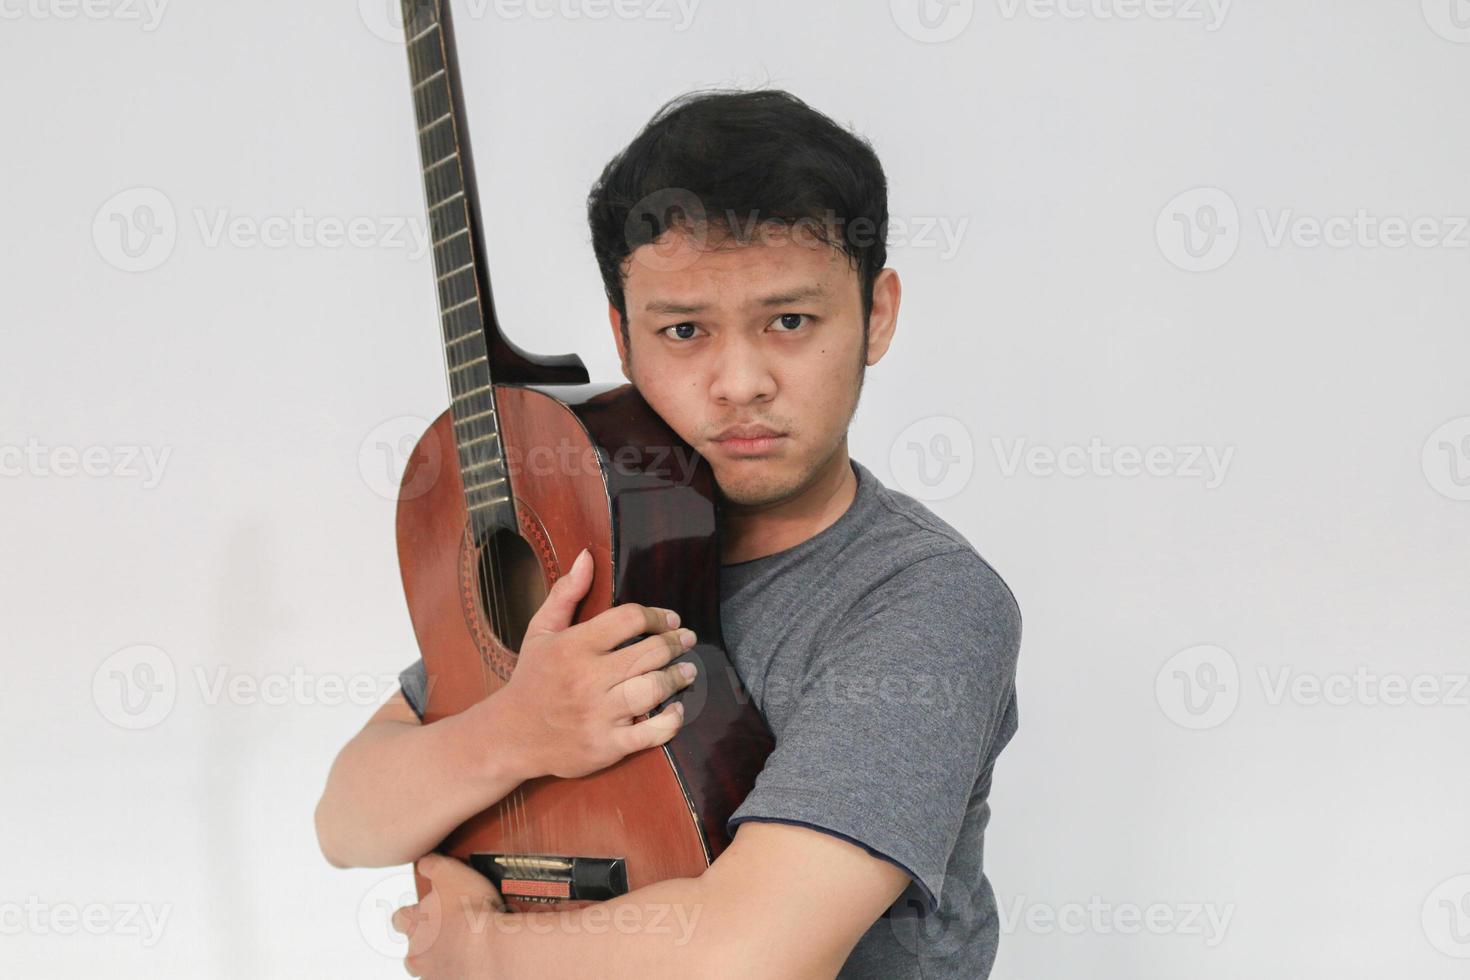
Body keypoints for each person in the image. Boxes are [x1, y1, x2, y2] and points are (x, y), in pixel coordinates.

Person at [314, 88, 1022, 979]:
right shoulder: (584, 536)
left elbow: (754, 953)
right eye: (684, 330)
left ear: (877, 315)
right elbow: (346, 821)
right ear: (621, 336)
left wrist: (486, 950)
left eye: (789, 321)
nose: (739, 382)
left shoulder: (922, 601)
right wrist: (518, 731)